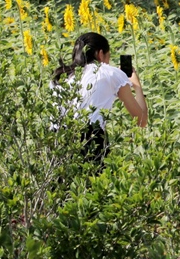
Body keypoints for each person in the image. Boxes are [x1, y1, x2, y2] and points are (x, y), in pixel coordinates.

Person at [51, 32, 147, 164]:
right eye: (108, 57)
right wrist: (136, 86)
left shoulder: (61, 77)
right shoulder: (110, 73)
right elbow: (141, 121)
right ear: (100, 54)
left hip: (56, 142)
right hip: (90, 141)